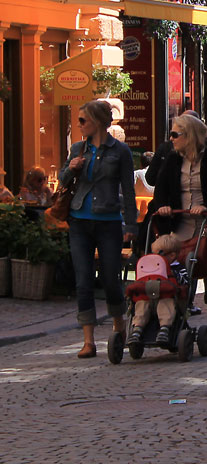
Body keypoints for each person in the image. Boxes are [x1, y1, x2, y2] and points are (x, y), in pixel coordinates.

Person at [147, 113, 207, 348]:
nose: (172, 138)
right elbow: (161, 189)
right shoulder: (172, 159)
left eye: (176, 134)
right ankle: (173, 323)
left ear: (190, 136)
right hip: (180, 224)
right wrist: (164, 206)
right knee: (175, 275)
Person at [62, 99, 136, 358]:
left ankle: (118, 327)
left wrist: (131, 225)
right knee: (83, 281)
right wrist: (70, 169)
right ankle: (88, 340)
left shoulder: (121, 151)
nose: (79, 124)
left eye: (83, 120)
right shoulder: (77, 149)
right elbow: (62, 179)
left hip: (108, 222)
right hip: (79, 220)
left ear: (97, 121)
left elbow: (128, 189)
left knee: (110, 279)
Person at [128, 233, 186, 346]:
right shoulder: (151, 268)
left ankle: (165, 328)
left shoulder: (179, 268)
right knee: (141, 305)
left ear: (172, 255)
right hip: (147, 297)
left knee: (166, 304)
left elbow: (184, 282)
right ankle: (137, 329)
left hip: (167, 297)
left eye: (158, 255)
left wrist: (172, 275)